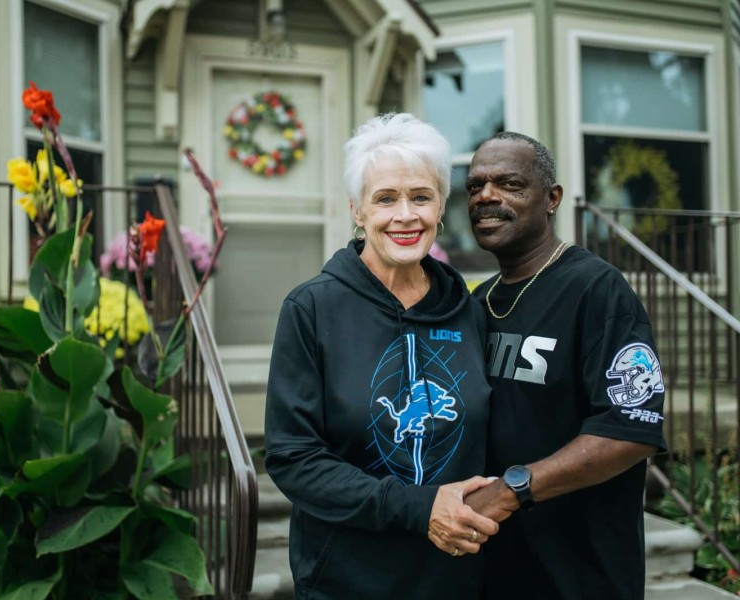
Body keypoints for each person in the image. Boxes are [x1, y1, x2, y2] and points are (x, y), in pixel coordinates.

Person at [264, 113, 498, 600]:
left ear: (440, 206)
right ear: (357, 209)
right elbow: (293, 458)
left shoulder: (471, 314)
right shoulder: (311, 309)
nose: (405, 215)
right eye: (385, 198)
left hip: (455, 577)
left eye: (421, 197)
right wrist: (418, 508)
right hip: (347, 578)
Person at [464, 131, 667, 600]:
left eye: (509, 184)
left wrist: (510, 491)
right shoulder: (477, 302)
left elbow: (629, 432)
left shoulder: (596, 290)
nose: (487, 196)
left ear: (551, 198)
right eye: (475, 186)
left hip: (579, 573)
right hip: (492, 566)